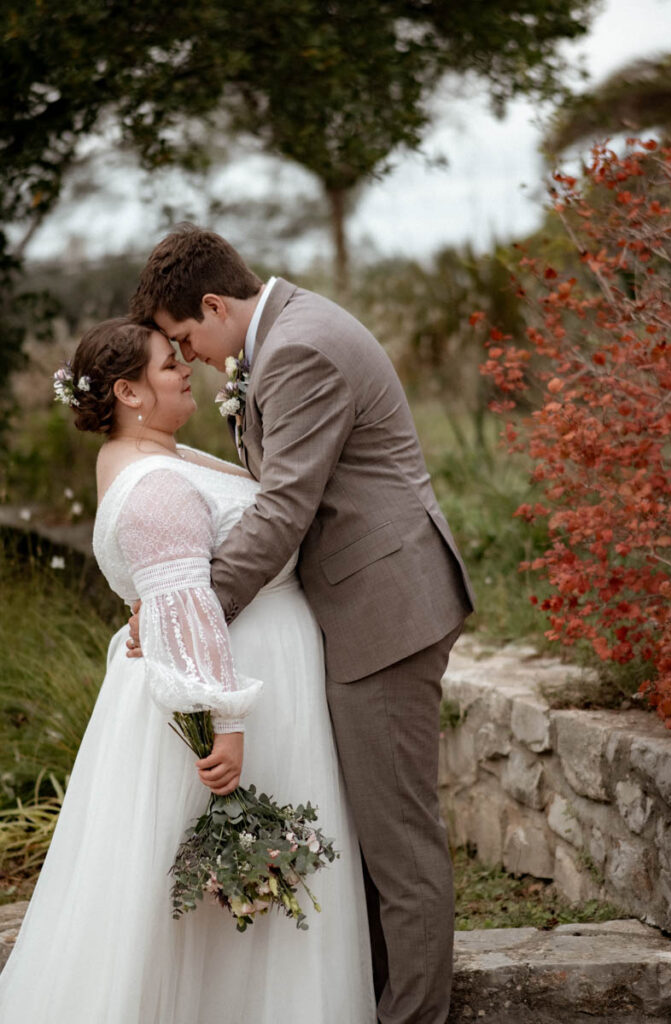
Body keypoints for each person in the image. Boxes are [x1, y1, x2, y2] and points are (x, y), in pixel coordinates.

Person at [128, 226, 476, 1024]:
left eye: (187, 338)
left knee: (398, 841)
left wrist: (193, 611)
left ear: (215, 305)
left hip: (384, 610)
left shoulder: (297, 350)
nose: (193, 357)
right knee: (375, 834)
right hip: (366, 601)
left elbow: (286, 505)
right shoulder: (287, 333)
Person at [0, 318, 375, 1024]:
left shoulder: (156, 455)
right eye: (168, 364)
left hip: (259, 676)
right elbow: (188, 609)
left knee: (244, 897)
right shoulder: (151, 483)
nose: (184, 371)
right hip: (222, 704)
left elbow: (175, 595)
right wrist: (222, 726)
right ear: (127, 391)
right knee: (219, 899)